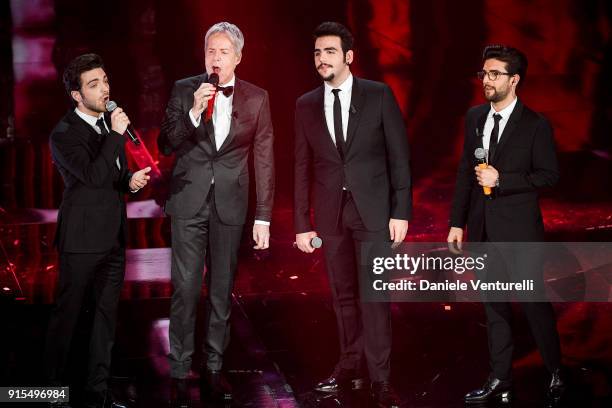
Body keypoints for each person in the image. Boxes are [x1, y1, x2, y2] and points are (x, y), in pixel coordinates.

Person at [293, 21, 411, 408]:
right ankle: (349, 365)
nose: (321, 58)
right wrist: (302, 224)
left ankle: (381, 378)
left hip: (374, 211)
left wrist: (401, 210)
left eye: (329, 51)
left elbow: (399, 156)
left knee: (374, 296)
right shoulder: (306, 104)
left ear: (348, 56)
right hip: (330, 214)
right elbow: (300, 167)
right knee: (342, 296)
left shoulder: (377, 95)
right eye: (316, 52)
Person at [158, 21, 274, 402]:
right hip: (188, 200)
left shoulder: (257, 98)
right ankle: (178, 369)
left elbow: (264, 159)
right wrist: (193, 110)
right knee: (186, 289)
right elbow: (165, 143)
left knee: (222, 291)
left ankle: (213, 367)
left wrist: (263, 216)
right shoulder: (183, 89)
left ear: (238, 57)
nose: (216, 58)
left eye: (224, 52)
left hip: (230, 203)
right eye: (211, 51)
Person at [447, 44, 565, 405]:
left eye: (495, 74)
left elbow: (549, 176)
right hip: (483, 230)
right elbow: (466, 173)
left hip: (520, 233)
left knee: (533, 303)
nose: (487, 80)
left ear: (514, 80)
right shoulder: (474, 118)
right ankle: (500, 378)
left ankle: (556, 372)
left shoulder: (535, 125)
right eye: (484, 73)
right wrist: (457, 222)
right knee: (493, 305)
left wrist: (503, 180)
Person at [45, 53, 151, 408]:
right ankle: (53, 392)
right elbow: (90, 177)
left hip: (113, 238)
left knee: (106, 320)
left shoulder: (108, 127)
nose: (104, 89)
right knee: (68, 318)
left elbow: (109, 176)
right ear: (77, 95)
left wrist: (129, 181)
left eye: (105, 80)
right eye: (94, 84)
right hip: (81, 240)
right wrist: (117, 136)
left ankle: (98, 393)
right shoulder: (63, 135)